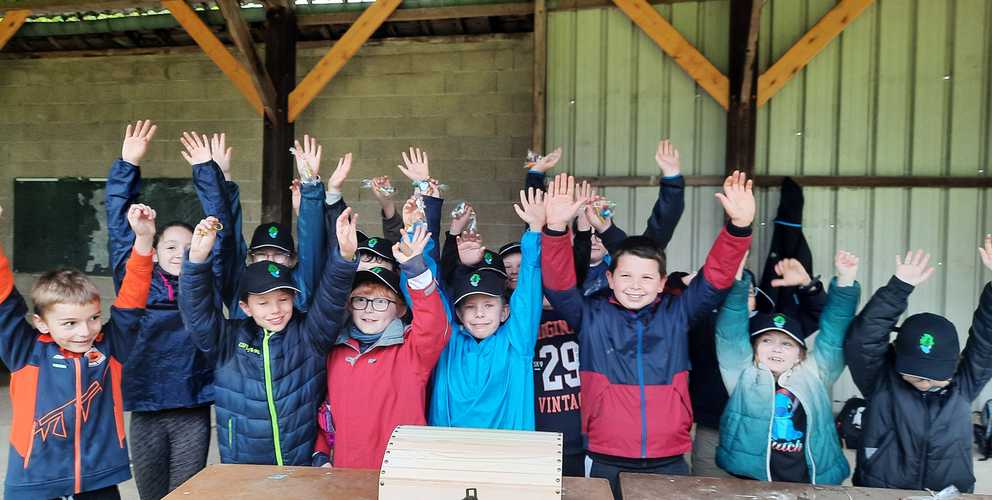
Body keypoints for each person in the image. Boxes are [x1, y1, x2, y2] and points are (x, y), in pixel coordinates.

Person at [541, 171, 754, 499]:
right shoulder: (592, 316)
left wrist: (738, 228)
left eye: (646, 277)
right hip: (604, 456)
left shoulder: (677, 313)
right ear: (610, 279)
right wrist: (555, 230)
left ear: (661, 281)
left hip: (668, 458)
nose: (636, 285)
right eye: (626, 275)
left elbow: (714, 279)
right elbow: (558, 286)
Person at [106, 122, 229, 499]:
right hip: (145, 406)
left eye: (189, 245)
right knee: (150, 493)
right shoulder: (137, 280)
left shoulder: (206, 279)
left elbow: (221, 232)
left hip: (191, 403)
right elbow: (121, 229)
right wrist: (127, 164)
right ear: (155, 252)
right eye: (171, 245)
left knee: (184, 492)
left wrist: (211, 173)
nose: (180, 252)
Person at [1, 202, 156, 500]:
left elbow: (132, 301)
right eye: (70, 323)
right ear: (41, 323)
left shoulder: (110, 347)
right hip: (33, 484)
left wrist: (144, 240)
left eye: (94, 318)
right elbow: (3, 301)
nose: (85, 331)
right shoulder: (25, 352)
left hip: (98, 482)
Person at [178, 209, 358, 466]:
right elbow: (197, 312)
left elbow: (332, 298)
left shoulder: (309, 336)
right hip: (244, 467)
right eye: (263, 303)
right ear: (246, 307)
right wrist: (196, 260)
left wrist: (345, 256)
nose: (275, 310)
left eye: (283, 300)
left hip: (302, 465)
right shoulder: (227, 341)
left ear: (294, 299)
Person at [845, 244, 992, 493]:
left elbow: (986, 340)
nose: (924, 382)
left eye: (934, 377)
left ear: (955, 363)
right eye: (913, 373)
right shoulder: (880, 381)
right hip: (882, 490)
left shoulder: (964, 385)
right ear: (895, 355)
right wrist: (899, 287)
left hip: (949, 492)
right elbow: (862, 340)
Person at [715, 252, 861, 484]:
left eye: (787, 344)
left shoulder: (814, 373)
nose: (777, 349)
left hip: (810, 480)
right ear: (753, 348)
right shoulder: (743, 373)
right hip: (751, 480)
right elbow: (730, 331)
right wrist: (737, 277)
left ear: (799, 355)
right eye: (767, 341)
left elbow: (835, 334)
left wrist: (845, 281)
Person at [312, 224, 449, 469]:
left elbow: (434, 325)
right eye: (361, 299)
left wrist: (416, 267)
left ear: (401, 309)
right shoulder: (338, 351)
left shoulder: (411, 351)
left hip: (400, 476)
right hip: (347, 476)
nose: (368, 309)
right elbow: (328, 413)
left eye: (381, 302)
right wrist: (321, 454)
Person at [429, 188, 548, 430]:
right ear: (459, 315)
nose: (480, 314)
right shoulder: (448, 339)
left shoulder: (517, 342)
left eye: (489, 305)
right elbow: (428, 289)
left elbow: (528, 292)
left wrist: (535, 231)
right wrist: (426, 209)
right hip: (448, 457)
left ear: (505, 312)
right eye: (470, 307)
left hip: (506, 459)